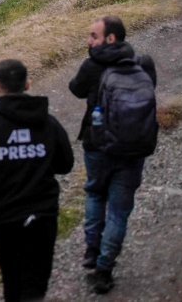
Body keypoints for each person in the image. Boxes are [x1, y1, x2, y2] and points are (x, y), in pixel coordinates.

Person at [0, 60, 74, 302]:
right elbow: (65, 164)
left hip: (3, 218)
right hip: (43, 216)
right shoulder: (48, 124)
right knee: (35, 285)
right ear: (27, 84)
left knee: (12, 280)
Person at [69, 15, 157, 294]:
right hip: (133, 148)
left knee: (96, 194)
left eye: (93, 36)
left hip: (97, 145)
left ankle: (92, 253)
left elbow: (75, 89)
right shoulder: (140, 63)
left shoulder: (93, 65)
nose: (88, 41)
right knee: (120, 211)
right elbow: (149, 90)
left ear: (110, 38)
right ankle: (104, 269)